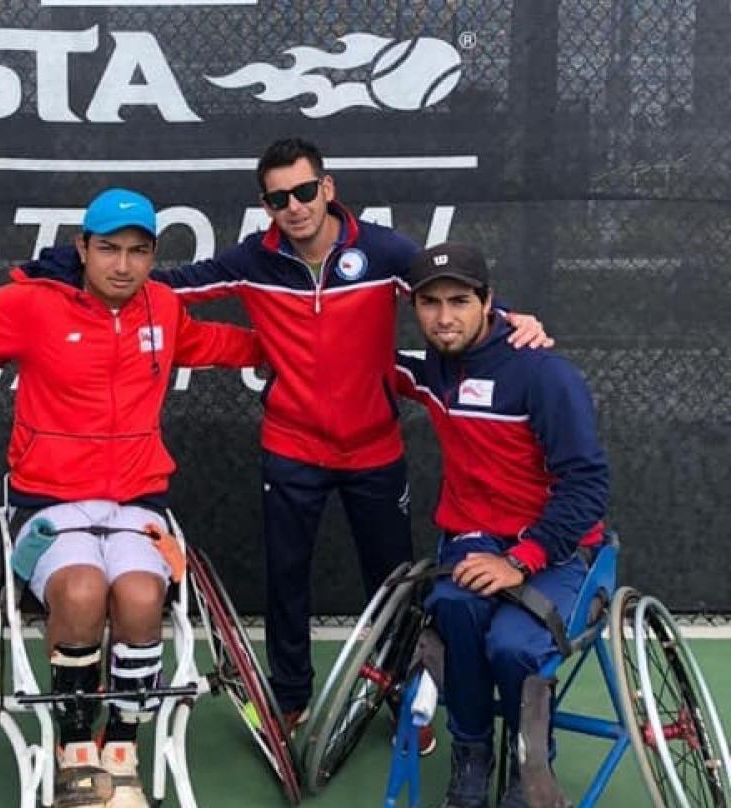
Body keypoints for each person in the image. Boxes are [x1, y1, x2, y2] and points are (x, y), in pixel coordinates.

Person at [0, 188, 262, 808]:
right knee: (79, 590)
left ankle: (119, 746)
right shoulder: (33, 307)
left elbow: (214, 343)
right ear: (83, 249)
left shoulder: (164, 308)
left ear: (153, 255)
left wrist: (292, 348)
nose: (122, 265)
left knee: (143, 597)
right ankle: (74, 745)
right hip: (48, 504)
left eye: (137, 252)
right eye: (109, 250)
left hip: (137, 503)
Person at [153, 136, 551, 735]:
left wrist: (513, 318)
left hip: (374, 449)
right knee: (286, 581)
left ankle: (403, 701)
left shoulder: (384, 251)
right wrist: (75, 274)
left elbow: (453, 293)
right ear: (267, 206)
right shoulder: (252, 261)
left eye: (305, 191)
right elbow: (169, 287)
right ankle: (290, 701)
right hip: (292, 449)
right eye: (279, 197)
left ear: (328, 189)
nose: (295, 206)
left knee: (393, 587)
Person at [391, 243, 609, 808]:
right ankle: (471, 757)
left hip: (559, 550)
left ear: (488, 302)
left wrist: (523, 559)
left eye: (460, 301)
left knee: (512, 647)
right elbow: (358, 360)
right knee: (457, 615)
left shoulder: (544, 374)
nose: (444, 317)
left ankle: (527, 763)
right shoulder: (432, 369)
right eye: (430, 303)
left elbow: (588, 485)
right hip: (471, 537)